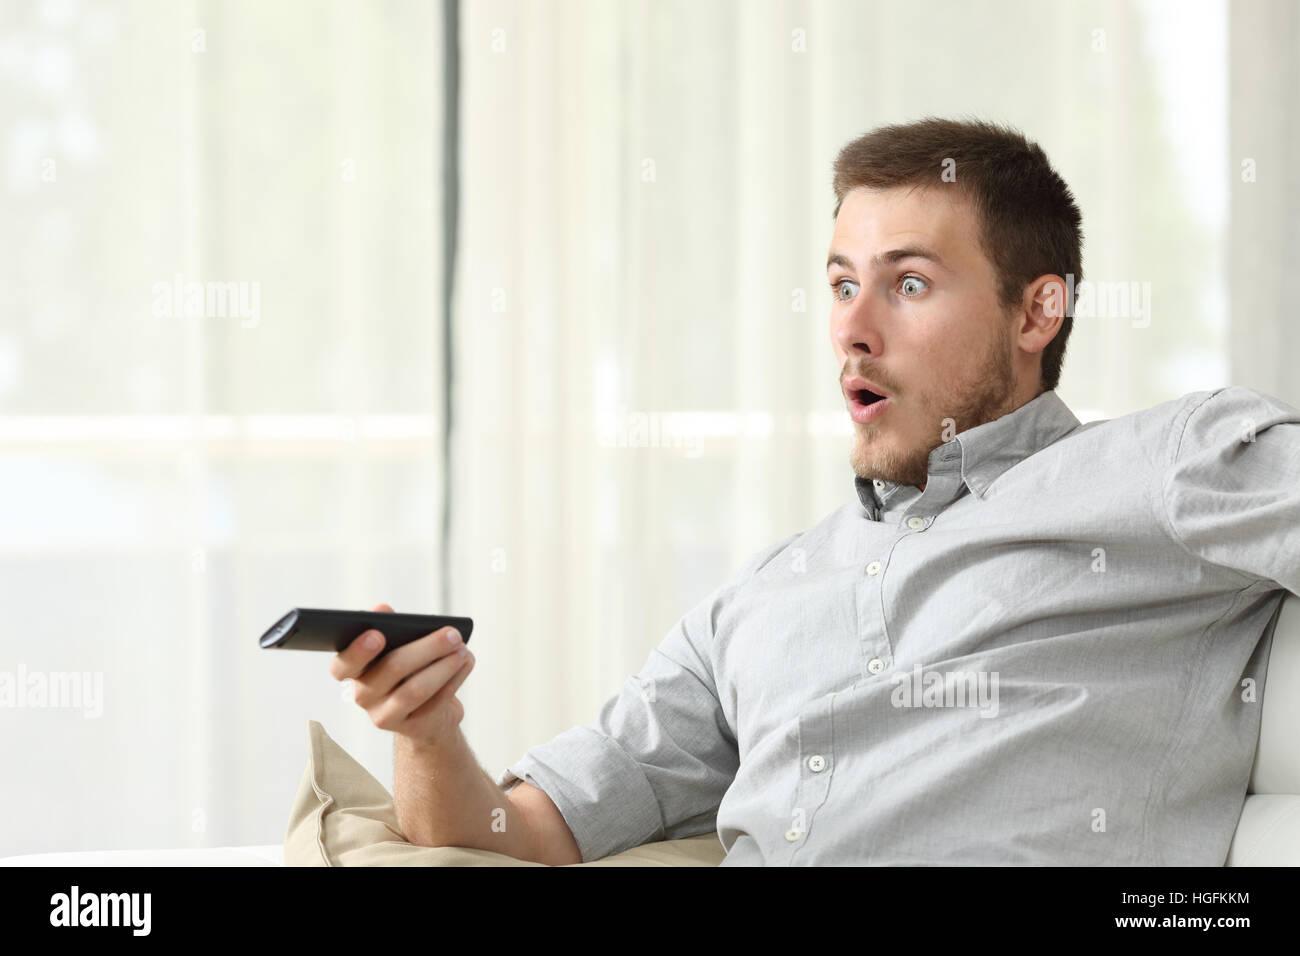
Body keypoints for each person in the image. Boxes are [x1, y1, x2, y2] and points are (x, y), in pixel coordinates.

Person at [329, 117, 1300, 865]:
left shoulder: (1164, 467)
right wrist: (427, 730)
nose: (853, 329)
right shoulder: (755, 599)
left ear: (1037, 309)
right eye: (840, 285)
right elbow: (526, 830)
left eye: (906, 284)